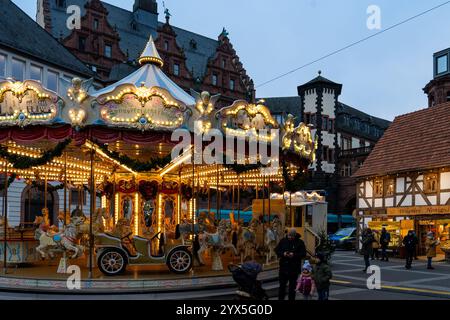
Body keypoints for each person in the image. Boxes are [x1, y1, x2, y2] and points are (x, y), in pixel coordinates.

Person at [275, 228, 306, 301]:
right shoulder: (283, 241)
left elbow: (303, 254)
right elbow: (277, 250)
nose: (290, 237)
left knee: (292, 288)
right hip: (283, 268)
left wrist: (294, 255)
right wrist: (283, 254)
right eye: (289, 236)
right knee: (282, 287)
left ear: (295, 235)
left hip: (294, 269)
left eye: (291, 236)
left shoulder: (300, 242)